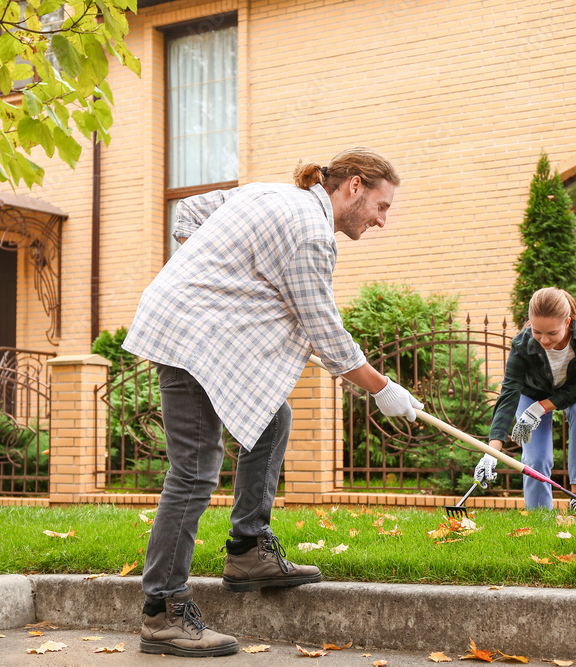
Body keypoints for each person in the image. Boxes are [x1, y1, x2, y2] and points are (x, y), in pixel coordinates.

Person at [122, 147, 424, 657]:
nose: (382, 221)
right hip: (190, 336)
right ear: (354, 186)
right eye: (382, 205)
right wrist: (383, 388)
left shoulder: (273, 194)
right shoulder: (309, 233)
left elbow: (190, 214)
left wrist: (218, 278)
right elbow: (324, 332)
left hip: (198, 330)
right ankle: (162, 610)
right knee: (196, 469)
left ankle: (247, 550)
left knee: (272, 416)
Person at [474, 287, 576, 512]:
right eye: (537, 332)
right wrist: (491, 452)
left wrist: (542, 407)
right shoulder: (522, 344)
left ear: (568, 322)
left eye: (552, 333)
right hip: (533, 392)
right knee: (536, 457)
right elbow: (508, 395)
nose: (544, 340)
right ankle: (539, 516)